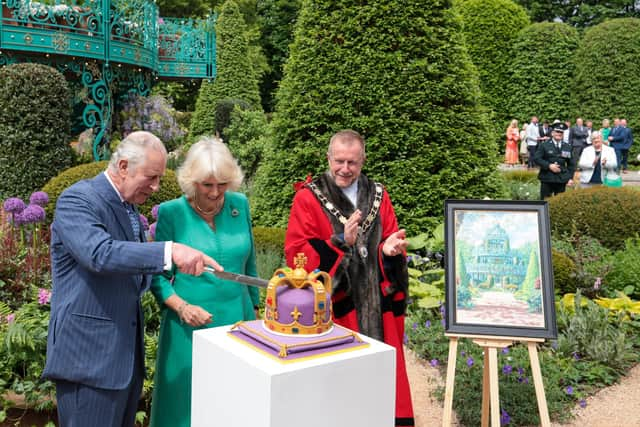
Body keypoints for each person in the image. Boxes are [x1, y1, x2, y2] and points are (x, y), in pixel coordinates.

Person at [43, 131, 221, 427]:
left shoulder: (127, 206)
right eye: (151, 177)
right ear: (123, 166)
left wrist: (181, 276)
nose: (156, 186)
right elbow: (100, 254)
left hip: (123, 363)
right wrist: (169, 250)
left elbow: (133, 270)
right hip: (88, 363)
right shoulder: (77, 199)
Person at [284, 130, 414, 427]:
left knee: (383, 382)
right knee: (338, 388)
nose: (345, 169)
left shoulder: (379, 195)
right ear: (328, 158)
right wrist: (339, 242)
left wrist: (389, 251)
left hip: (376, 305)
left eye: (352, 162)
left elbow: (388, 239)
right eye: (339, 161)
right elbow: (297, 252)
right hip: (337, 310)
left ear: (363, 160)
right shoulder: (308, 197)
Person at [149, 137, 260, 427]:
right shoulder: (172, 213)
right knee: (185, 404)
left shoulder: (240, 204)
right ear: (192, 181)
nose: (215, 193)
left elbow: (249, 262)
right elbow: (156, 275)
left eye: (222, 184)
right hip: (189, 323)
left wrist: (257, 311)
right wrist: (182, 307)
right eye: (206, 185)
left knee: (237, 402)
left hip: (240, 321)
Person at [534, 121, 576, 199]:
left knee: (560, 203)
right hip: (547, 178)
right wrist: (549, 165)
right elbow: (537, 158)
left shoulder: (567, 147)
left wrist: (570, 178)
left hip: (561, 179)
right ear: (552, 133)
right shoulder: (544, 145)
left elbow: (571, 164)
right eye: (557, 131)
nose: (559, 134)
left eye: (561, 132)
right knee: (545, 203)